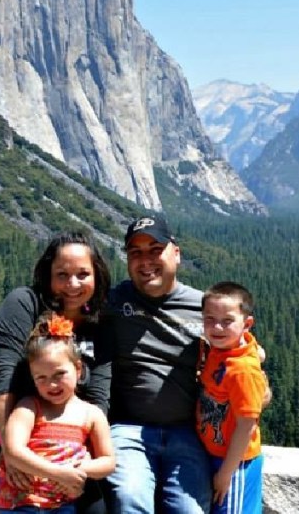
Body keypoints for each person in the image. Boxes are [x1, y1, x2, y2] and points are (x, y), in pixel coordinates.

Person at [0, 231, 112, 514]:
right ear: (47, 276)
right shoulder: (24, 303)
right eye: (62, 274)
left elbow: (99, 395)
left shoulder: (100, 327)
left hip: (63, 446)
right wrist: (11, 453)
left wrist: (80, 461)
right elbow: (2, 376)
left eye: (83, 274)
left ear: (96, 276)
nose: (72, 284)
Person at [101, 215, 214, 513]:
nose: (145, 260)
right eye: (135, 253)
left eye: (155, 249)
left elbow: (241, 357)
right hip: (128, 431)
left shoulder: (205, 308)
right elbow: (63, 317)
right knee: (129, 498)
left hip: (187, 434)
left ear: (176, 253)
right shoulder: (112, 301)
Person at [0, 313, 116, 513]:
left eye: (59, 374)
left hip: (63, 504)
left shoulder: (92, 414)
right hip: (22, 503)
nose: (51, 384)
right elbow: (13, 451)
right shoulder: (29, 408)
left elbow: (108, 461)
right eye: (41, 377)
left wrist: (80, 470)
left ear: (78, 369)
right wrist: (59, 474)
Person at [196, 282, 265, 514]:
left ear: (246, 324)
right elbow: (255, 349)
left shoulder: (243, 370)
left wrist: (226, 474)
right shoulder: (223, 348)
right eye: (209, 319)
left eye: (227, 321)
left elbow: (246, 425)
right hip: (216, 453)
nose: (217, 327)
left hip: (235, 463)